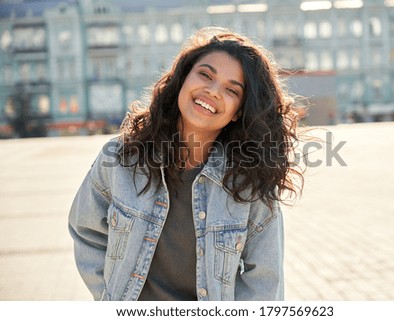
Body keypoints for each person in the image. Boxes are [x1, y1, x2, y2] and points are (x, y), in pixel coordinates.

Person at [68, 27, 303, 301]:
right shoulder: (121, 157)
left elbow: (265, 281)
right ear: (183, 78)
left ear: (238, 111)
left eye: (231, 90)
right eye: (205, 74)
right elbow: (85, 231)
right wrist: (111, 299)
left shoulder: (249, 184)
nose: (213, 91)